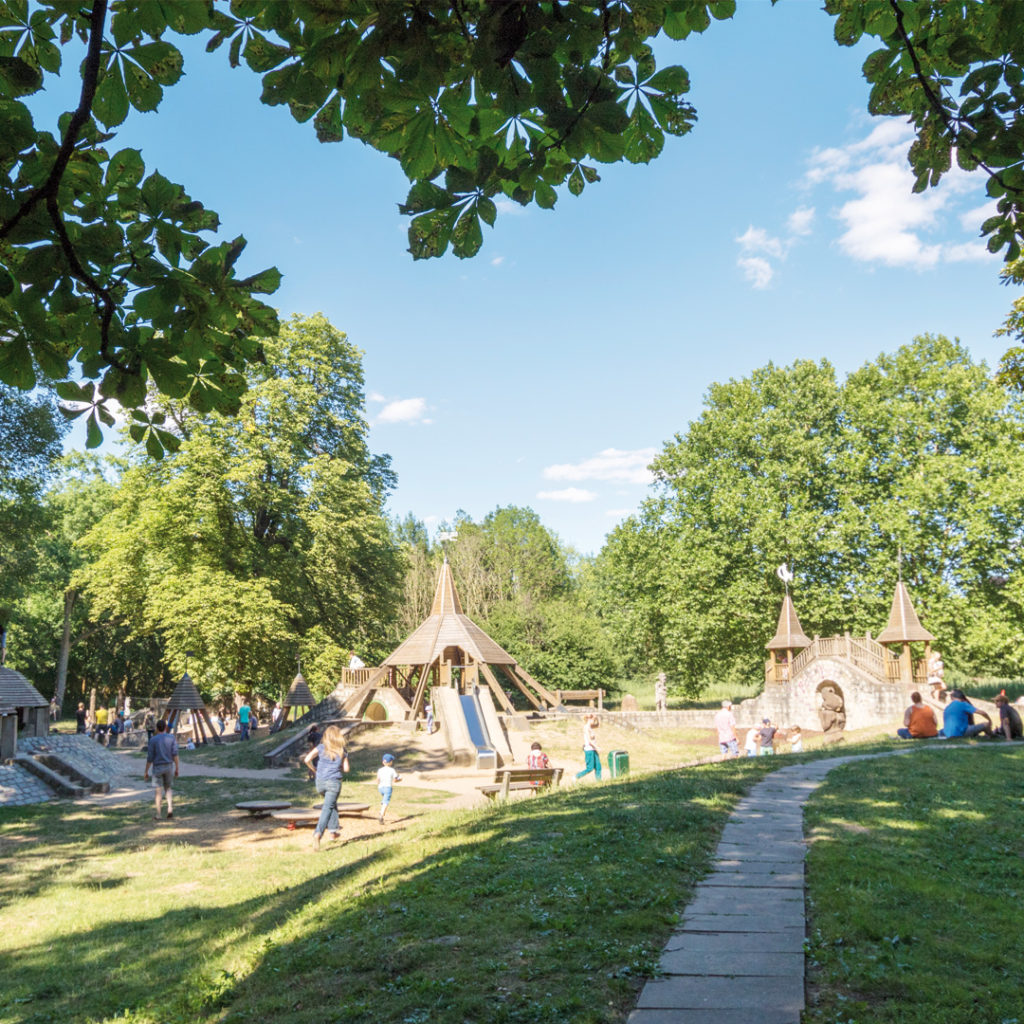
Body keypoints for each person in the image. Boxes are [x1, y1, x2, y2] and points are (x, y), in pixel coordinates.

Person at [302, 725, 349, 850]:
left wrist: (315, 770)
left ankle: (333, 831)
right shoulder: (342, 750)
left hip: (320, 783)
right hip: (334, 783)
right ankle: (318, 833)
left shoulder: (321, 747)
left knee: (331, 803)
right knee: (327, 807)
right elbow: (346, 769)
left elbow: (306, 759)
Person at [144, 720, 179, 820]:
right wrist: (177, 768)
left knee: (158, 791)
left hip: (157, 767)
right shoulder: (171, 738)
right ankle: (170, 809)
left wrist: (146, 771)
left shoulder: (153, 740)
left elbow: (150, 757)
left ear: (157, 727)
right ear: (165, 727)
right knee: (168, 788)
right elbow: (175, 755)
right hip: (169, 766)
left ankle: (158, 814)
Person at [575, 714, 602, 781]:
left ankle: (599, 781)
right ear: (589, 719)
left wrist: (597, 718)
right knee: (590, 768)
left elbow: (598, 725)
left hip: (593, 749)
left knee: (598, 767)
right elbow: (589, 741)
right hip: (589, 750)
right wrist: (597, 747)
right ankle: (576, 776)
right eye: (593, 720)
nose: (594, 721)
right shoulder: (586, 728)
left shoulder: (590, 727)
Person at [377, 753, 401, 823]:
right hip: (388, 787)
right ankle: (381, 815)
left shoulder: (380, 770)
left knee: (384, 799)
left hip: (380, 788)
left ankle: (382, 809)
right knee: (386, 802)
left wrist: (379, 785)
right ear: (390, 762)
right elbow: (395, 780)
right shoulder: (392, 770)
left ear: (383, 762)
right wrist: (400, 779)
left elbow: (378, 780)